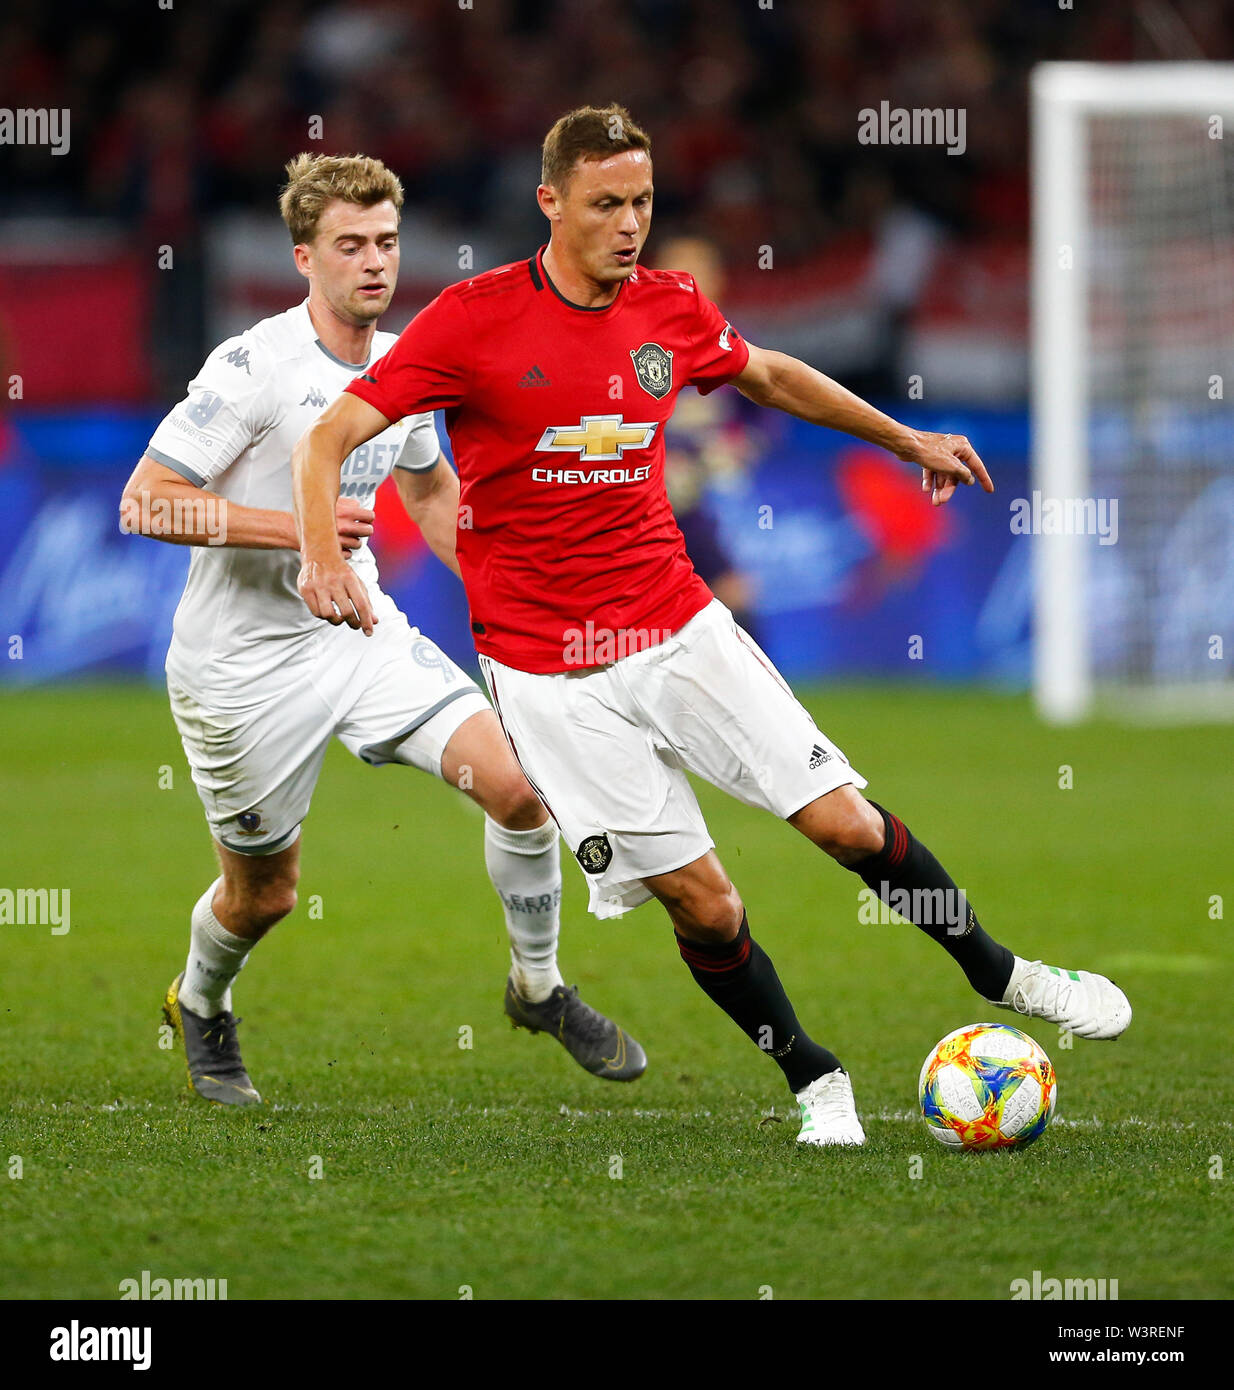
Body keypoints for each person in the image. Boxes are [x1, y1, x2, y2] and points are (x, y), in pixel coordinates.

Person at [290, 108, 1130, 1147]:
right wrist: (322, 554)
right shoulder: (469, 322)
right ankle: (812, 1076)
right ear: (550, 203)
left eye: (642, 201)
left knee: (845, 825)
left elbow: (769, 375)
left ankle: (1007, 973)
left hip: (677, 623)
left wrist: (902, 432)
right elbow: (332, 432)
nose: (630, 222)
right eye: (607, 204)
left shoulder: (668, 308)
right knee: (707, 905)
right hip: (549, 674)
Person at [120, 152, 645, 1107]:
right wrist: (304, 533)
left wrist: (516, 592)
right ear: (304, 259)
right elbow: (146, 504)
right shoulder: (252, 367)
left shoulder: (406, 364)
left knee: (522, 789)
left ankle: (538, 986)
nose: (374, 262)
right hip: (238, 669)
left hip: (358, 634)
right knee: (264, 896)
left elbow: (430, 485)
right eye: (350, 245)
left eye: (388, 242)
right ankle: (201, 1001)